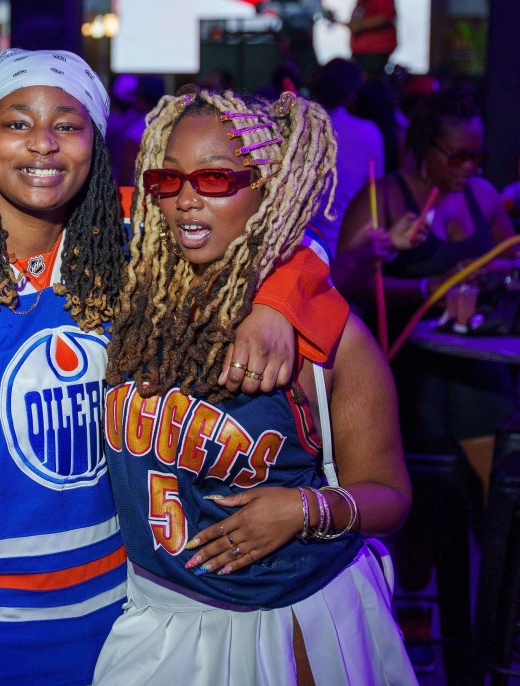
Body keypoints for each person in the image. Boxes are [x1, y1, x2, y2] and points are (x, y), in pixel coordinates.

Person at [0, 49, 352, 685]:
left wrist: (276, 305)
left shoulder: (133, 231)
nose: (43, 147)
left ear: (96, 140)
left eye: (68, 125)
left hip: (120, 631)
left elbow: (281, 237)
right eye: (17, 123)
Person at [95, 87, 416, 684]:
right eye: (169, 180)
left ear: (266, 191)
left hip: (291, 618)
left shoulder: (329, 340)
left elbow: (391, 497)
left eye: (215, 179)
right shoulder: (133, 286)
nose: (187, 200)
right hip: (155, 610)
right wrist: (287, 291)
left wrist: (303, 509)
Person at [338, 85, 517, 495]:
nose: (470, 167)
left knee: (498, 473)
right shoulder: (382, 197)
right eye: (458, 157)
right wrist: (428, 287)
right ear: (424, 147)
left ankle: (493, 545)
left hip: (472, 355)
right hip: (403, 358)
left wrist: (492, 275)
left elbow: (509, 264)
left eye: (479, 157)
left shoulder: (485, 197)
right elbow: (349, 286)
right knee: (425, 489)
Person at [309, 57, 385, 257]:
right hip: (348, 247)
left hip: (303, 247)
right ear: (353, 93)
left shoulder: (298, 128)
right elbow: (375, 193)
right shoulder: (368, 132)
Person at [348, 0, 397, 79]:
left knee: (368, 83)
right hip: (362, 50)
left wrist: (360, 26)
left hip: (375, 50)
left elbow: (386, 15)